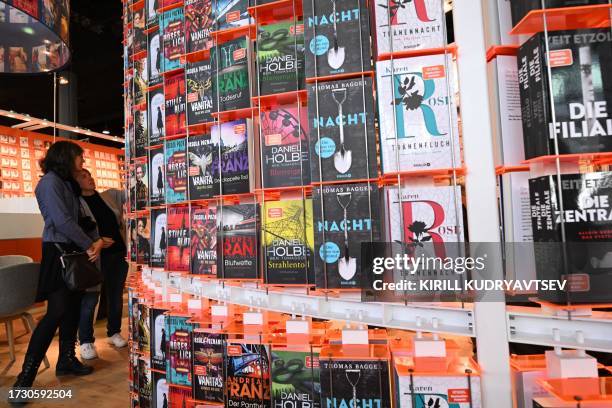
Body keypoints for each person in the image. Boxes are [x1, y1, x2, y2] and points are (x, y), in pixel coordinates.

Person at [12, 141, 104, 391]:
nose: (82, 162)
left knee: (72, 308)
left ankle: (66, 360)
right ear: (66, 158)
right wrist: (89, 244)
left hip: (71, 252)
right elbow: (62, 221)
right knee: (56, 312)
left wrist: (92, 240)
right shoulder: (50, 182)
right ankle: (25, 378)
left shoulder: (64, 183)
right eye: (79, 158)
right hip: (58, 253)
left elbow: (73, 219)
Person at [74, 169, 129, 360]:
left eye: (90, 175)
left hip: (119, 253)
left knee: (115, 295)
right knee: (90, 299)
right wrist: (96, 241)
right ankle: (86, 341)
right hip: (95, 257)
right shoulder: (76, 203)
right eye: (83, 176)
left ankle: (114, 332)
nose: (90, 178)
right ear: (74, 181)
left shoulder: (109, 195)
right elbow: (77, 228)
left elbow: (130, 192)